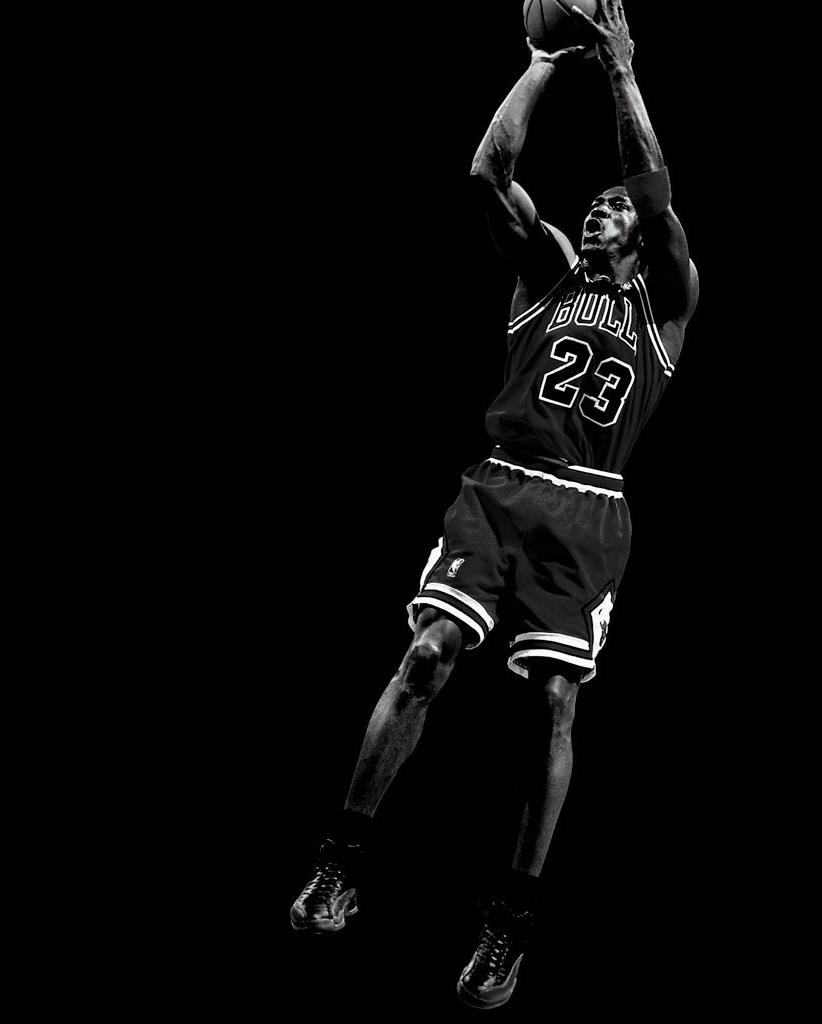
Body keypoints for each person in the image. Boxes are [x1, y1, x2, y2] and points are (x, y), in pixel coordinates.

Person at [288, 0, 698, 1008]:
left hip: (589, 508)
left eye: (613, 206)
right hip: (502, 483)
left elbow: (653, 186)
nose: (599, 210)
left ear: (640, 235)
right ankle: (340, 859)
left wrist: (620, 70)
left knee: (552, 701)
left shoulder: (668, 303)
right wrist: (544, 58)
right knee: (425, 655)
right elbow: (486, 172)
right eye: (593, 203)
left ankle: (508, 922)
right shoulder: (548, 273)